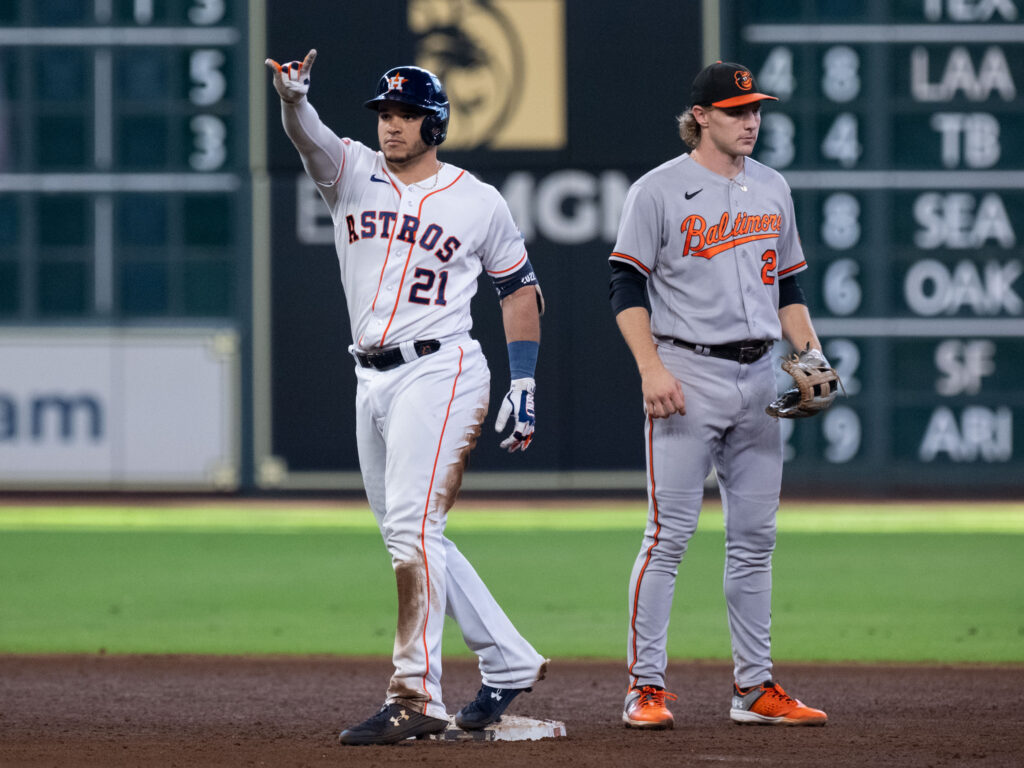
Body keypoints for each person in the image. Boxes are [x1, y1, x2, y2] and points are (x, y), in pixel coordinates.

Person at [266, 50, 548, 746]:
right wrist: (294, 101)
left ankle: (415, 692)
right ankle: (508, 659)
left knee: (411, 530)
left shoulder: (477, 200)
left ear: (435, 123)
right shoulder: (351, 172)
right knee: (412, 531)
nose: (392, 125)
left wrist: (524, 381)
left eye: (406, 115)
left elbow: (519, 291)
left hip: (442, 369)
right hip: (371, 375)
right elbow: (312, 138)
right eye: (386, 114)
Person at [608, 61, 830, 729]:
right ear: (701, 115)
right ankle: (644, 688)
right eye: (737, 111)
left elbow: (788, 288)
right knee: (668, 537)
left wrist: (810, 355)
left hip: (760, 374)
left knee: (755, 540)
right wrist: (650, 368)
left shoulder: (772, 187)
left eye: (756, 109)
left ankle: (754, 688)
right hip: (687, 371)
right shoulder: (658, 191)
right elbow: (625, 287)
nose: (752, 120)